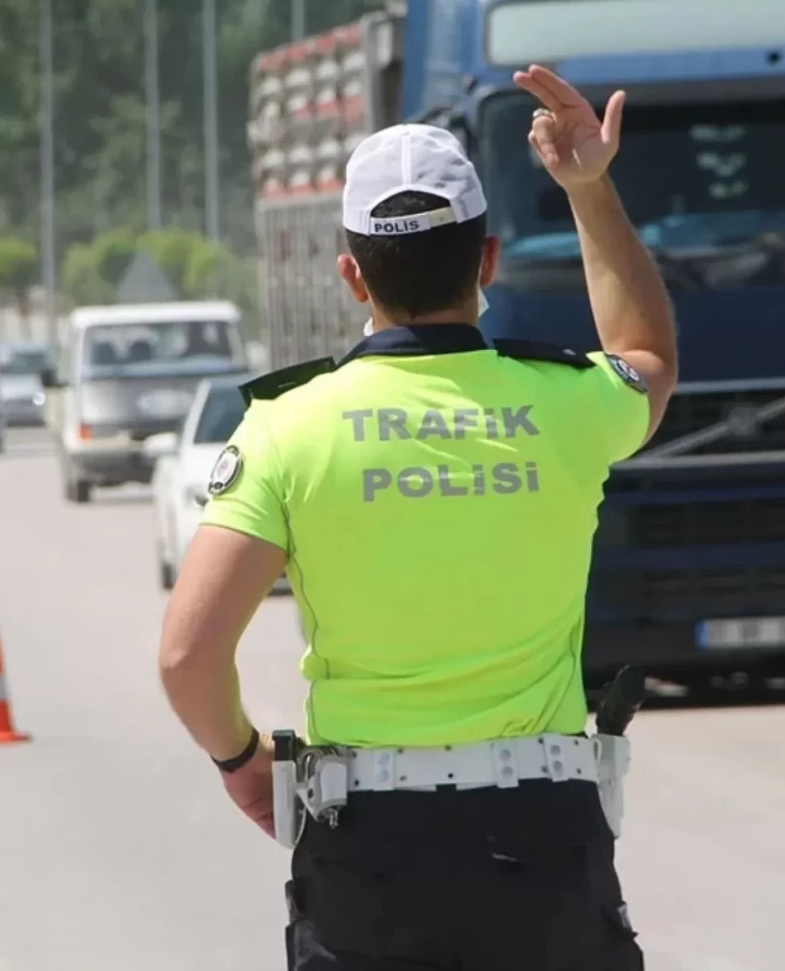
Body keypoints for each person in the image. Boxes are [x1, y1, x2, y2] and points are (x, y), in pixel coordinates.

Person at [158, 64, 677, 971]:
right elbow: (646, 352)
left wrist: (240, 759)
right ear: (487, 260)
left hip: (368, 848)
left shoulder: (288, 428)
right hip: (542, 840)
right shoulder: (569, 403)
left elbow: (186, 655)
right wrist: (587, 187)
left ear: (352, 276)